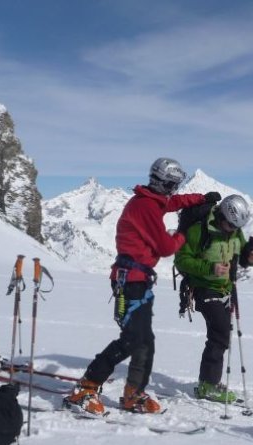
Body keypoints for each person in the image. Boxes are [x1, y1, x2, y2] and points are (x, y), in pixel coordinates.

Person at [65, 158, 220, 415]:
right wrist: (185, 227)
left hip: (140, 279)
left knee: (145, 341)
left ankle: (133, 394)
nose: (173, 189)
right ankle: (86, 387)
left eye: (176, 185)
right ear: (160, 181)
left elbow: (174, 202)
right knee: (132, 339)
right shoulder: (146, 207)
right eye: (171, 184)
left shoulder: (153, 201)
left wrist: (200, 198)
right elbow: (166, 247)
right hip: (130, 281)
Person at [174, 194, 253, 403]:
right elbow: (181, 260)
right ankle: (208, 385)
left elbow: (240, 252)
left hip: (225, 288)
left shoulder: (234, 231)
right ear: (222, 214)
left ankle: (210, 381)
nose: (232, 230)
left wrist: (250, 257)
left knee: (221, 335)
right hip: (203, 288)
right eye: (230, 225)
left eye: (235, 227)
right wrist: (210, 268)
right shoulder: (198, 231)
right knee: (220, 334)